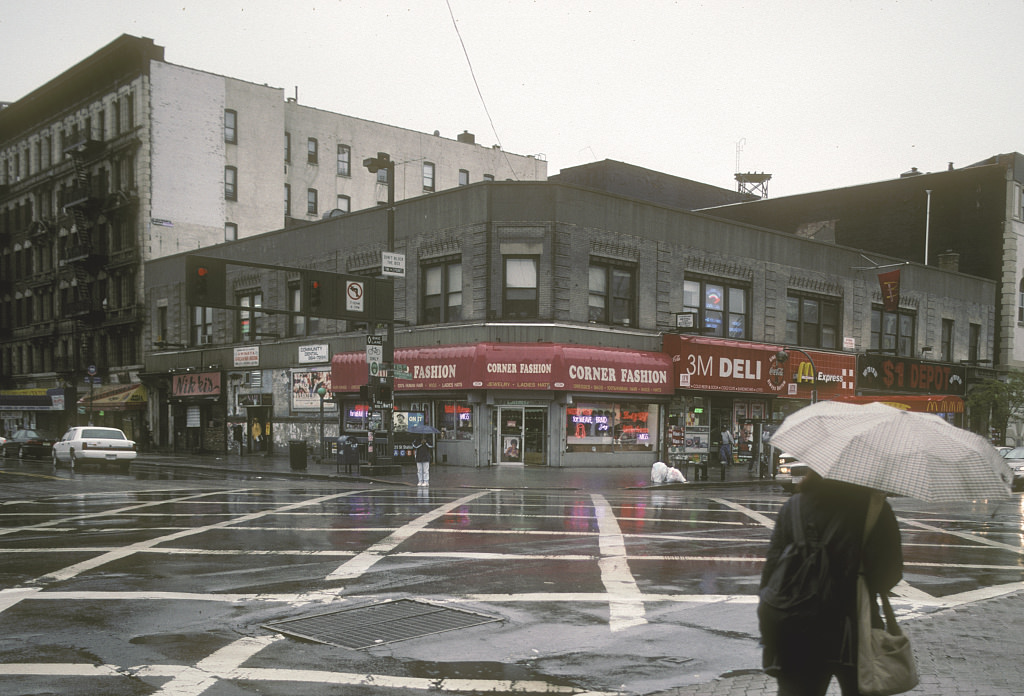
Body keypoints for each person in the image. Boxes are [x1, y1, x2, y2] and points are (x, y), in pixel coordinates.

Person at [759, 470, 903, 696]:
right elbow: (890, 574)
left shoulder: (793, 506)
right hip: (856, 628)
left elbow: (771, 572)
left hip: (797, 627)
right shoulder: (875, 510)